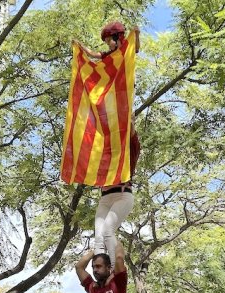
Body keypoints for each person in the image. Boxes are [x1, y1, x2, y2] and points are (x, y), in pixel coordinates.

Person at [74, 23, 142, 264]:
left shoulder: (127, 151)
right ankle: (100, 270)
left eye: (109, 41)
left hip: (123, 195)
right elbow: (94, 56)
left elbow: (134, 50)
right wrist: (81, 49)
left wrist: (136, 35)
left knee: (107, 232)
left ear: (116, 37)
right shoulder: (104, 153)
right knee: (98, 237)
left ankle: (115, 268)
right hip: (105, 196)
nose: (107, 45)